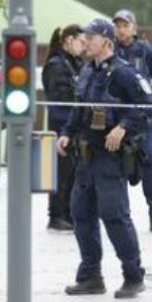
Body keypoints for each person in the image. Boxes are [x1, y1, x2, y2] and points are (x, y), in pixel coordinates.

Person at [57, 19, 152, 299]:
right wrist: (66, 134)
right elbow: (79, 109)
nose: (85, 41)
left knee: (115, 217)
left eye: (90, 37)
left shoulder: (124, 73)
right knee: (81, 215)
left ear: (106, 42)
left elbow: (148, 105)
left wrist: (123, 126)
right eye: (84, 37)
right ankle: (91, 276)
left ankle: (133, 276)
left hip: (110, 160)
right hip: (85, 159)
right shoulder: (88, 71)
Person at [113, 10, 152, 233]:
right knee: (115, 168)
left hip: (142, 119)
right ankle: (121, 216)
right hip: (118, 120)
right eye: (117, 25)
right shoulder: (110, 50)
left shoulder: (146, 51)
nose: (121, 30)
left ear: (134, 27)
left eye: (125, 25)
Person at [42, 25, 85, 232]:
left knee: (72, 172)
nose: (84, 47)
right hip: (60, 124)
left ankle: (68, 213)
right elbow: (60, 96)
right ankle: (56, 215)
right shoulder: (57, 65)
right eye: (81, 42)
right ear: (69, 40)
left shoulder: (75, 63)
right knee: (60, 172)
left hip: (73, 125)